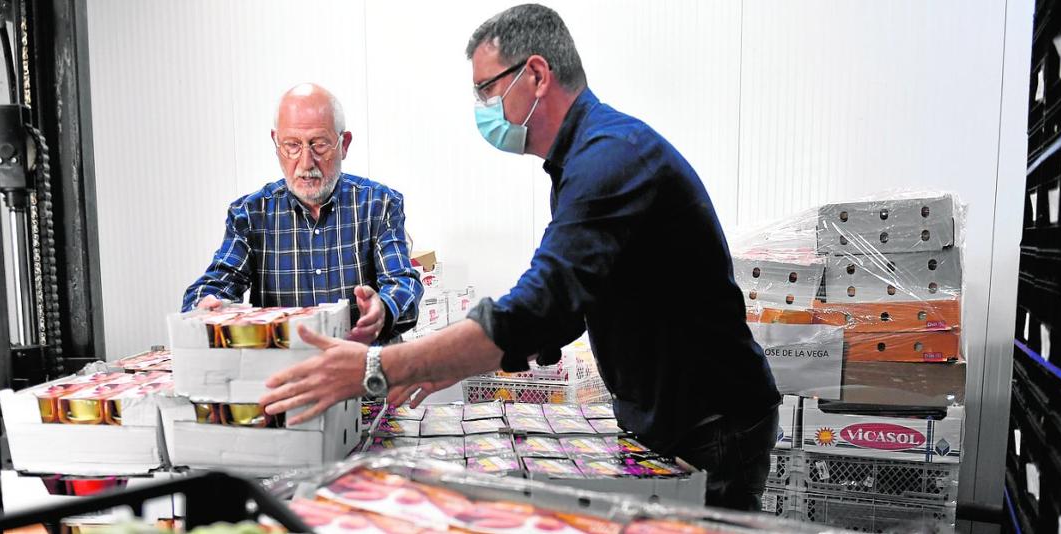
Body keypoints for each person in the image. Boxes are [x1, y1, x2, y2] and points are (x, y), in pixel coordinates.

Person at [259, 5, 780, 511]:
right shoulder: (583, 159)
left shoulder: (611, 159)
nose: (482, 107)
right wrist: (459, 359)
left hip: (712, 425)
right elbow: (568, 308)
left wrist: (379, 366)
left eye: (486, 89)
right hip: (674, 414)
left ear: (535, 74)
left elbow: (541, 304)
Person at [182, 83, 423, 344]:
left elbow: (403, 281)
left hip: (362, 369)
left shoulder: (379, 204)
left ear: (344, 144)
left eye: (319, 145)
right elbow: (216, 284)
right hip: (287, 376)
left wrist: (383, 310)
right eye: (292, 145)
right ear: (276, 144)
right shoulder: (250, 215)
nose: (306, 163)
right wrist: (206, 305)